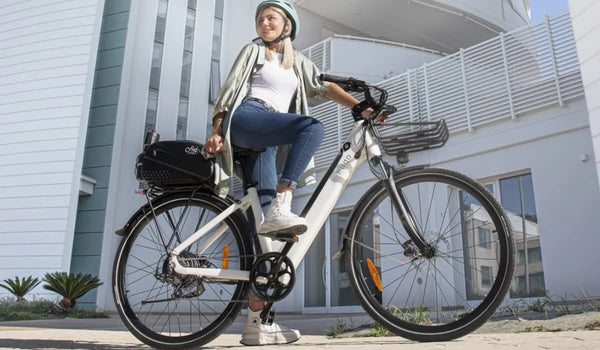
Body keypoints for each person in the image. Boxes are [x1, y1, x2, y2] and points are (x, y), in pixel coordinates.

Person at [205, 0, 374, 346]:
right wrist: (218, 130)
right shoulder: (253, 52)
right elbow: (227, 92)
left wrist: (358, 105)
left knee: (269, 238)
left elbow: (324, 87)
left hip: (265, 143)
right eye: (261, 18)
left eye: (272, 18)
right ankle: (285, 201)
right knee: (312, 128)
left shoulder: (297, 63)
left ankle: (256, 325)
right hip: (248, 119)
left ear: (287, 26)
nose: (264, 22)